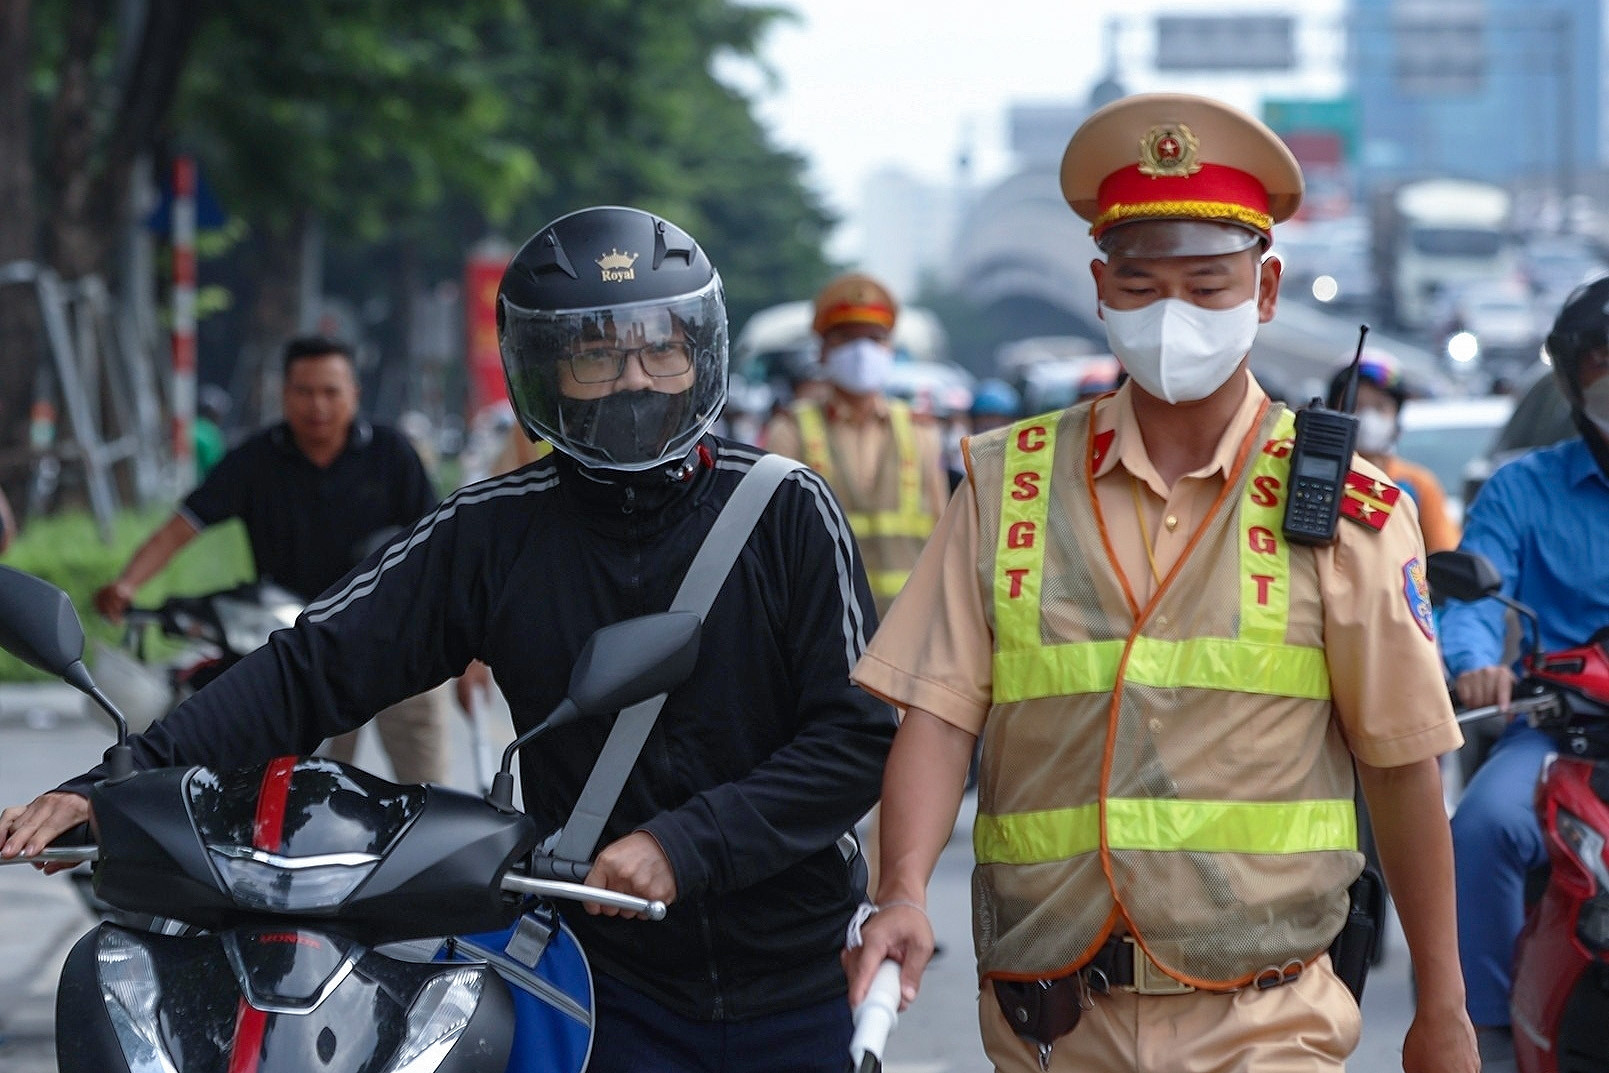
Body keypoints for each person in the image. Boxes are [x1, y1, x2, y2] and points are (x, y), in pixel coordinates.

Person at [3, 206, 894, 1073]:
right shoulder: (490, 532)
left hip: (798, 972)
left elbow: (854, 734)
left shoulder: (784, 508)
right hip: (600, 979)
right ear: (543, 371)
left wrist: (685, 844)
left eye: (659, 348)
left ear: (698, 357)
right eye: (595, 353)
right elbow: (314, 665)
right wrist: (114, 782)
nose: (633, 378)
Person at [841, 93, 1477, 1073]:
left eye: (1207, 284)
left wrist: (1441, 1003)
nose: (1170, 313)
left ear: (1265, 291)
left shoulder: (1349, 508)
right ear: (1098, 286)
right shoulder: (1007, 485)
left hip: (1265, 1016)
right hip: (1050, 1016)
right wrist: (904, 891)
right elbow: (938, 713)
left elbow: (1401, 765)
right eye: (1139, 285)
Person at [89, 335, 452, 785]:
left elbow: (444, 546)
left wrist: (469, 642)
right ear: (284, 395)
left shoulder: (392, 454)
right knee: (305, 787)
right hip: (301, 643)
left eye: (330, 391)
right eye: (304, 391)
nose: (317, 404)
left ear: (354, 394)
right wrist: (128, 584)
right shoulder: (255, 459)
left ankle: (430, 854)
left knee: (426, 785)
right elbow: (183, 525)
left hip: (396, 636)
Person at [1441, 274, 1609, 1071]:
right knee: (1479, 829)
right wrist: (1475, 664)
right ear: (1574, 377)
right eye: (1601, 359)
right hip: (1558, 728)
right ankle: (1490, 1035)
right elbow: (1474, 590)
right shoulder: (1520, 487)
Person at [762, 272, 950, 618]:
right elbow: (776, 537)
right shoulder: (791, 430)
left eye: (874, 338)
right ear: (822, 352)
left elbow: (942, 536)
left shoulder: (921, 432)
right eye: (846, 338)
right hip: (823, 623)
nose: (861, 351)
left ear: (890, 350)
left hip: (906, 625)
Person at [1327, 349, 1460, 552]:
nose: (1368, 417)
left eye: (1380, 407)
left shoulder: (1416, 485)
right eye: (1355, 405)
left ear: (1397, 421)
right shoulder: (1316, 471)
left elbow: (1445, 557)